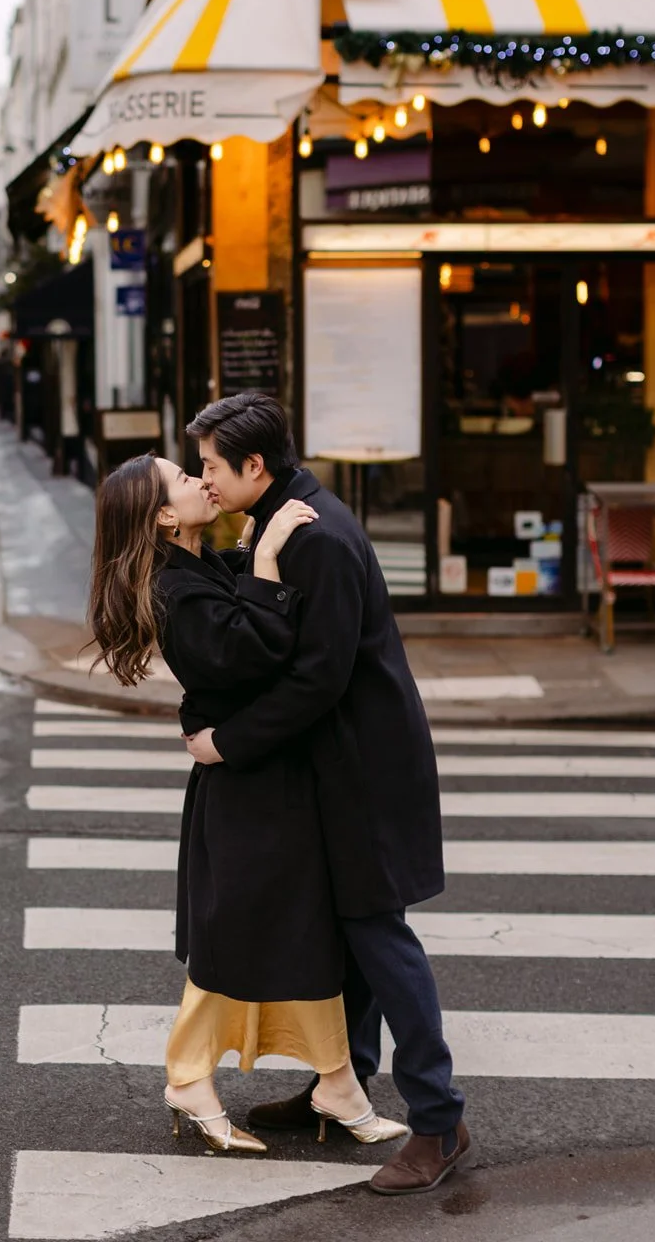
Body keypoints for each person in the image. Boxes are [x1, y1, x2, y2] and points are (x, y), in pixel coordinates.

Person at [180, 392, 471, 1196]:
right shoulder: (282, 521)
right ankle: (335, 1089)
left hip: (365, 774)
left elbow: (316, 677)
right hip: (338, 768)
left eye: (210, 467)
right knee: (353, 942)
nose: (202, 481)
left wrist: (226, 742)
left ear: (253, 467)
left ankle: (440, 1123)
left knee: (380, 941)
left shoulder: (318, 537)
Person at [89, 455, 408, 1156]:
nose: (204, 482)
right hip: (246, 789)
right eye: (185, 479)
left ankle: (336, 1082)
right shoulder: (177, 587)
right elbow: (253, 656)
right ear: (164, 517)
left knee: (299, 933)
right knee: (235, 941)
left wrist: (253, 550)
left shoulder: (198, 567)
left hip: (264, 777)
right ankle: (192, 1078)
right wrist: (264, 555)